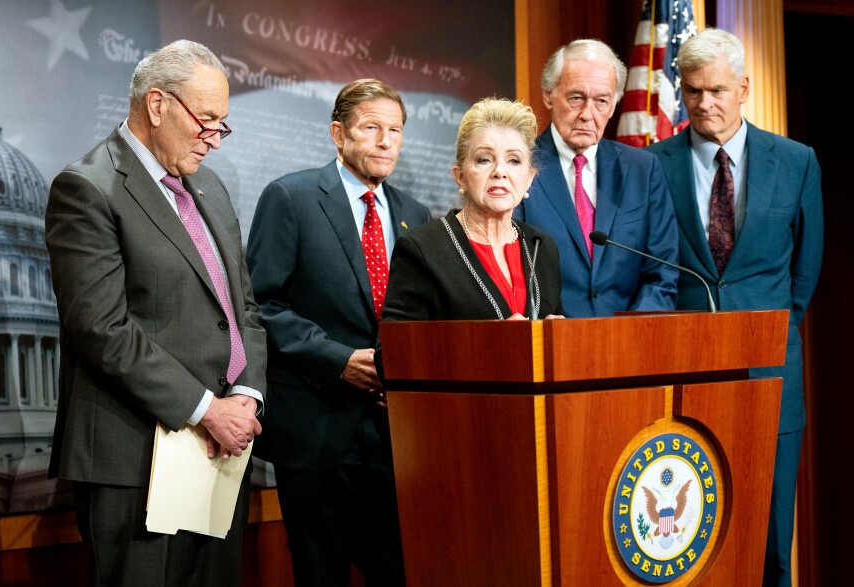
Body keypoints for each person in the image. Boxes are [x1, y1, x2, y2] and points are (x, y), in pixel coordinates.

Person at [45, 40, 267, 586]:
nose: (216, 139)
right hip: (133, 460)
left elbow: (244, 308)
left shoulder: (210, 188)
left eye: (224, 124)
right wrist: (204, 409)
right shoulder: (88, 188)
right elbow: (102, 328)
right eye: (207, 121)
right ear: (158, 105)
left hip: (220, 452)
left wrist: (245, 396)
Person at [645, 28, 823, 587]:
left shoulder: (797, 161)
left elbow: (806, 269)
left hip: (771, 370)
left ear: (743, 87)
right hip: (682, 371)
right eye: (693, 91)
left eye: (717, 90)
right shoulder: (652, 164)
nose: (704, 104)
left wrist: (771, 331)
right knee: (688, 544)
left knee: (771, 543)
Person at [245, 78, 431, 587]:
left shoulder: (415, 215)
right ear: (338, 133)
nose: (385, 140)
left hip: (395, 432)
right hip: (317, 425)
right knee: (321, 573)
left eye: (395, 130)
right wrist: (337, 359)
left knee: (401, 569)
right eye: (371, 127)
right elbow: (261, 304)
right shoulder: (292, 196)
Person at [515, 39, 679, 317]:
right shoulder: (518, 166)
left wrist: (627, 335)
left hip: (628, 346)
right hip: (551, 343)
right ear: (548, 95)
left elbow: (662, 274)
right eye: (576, 98)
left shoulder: (643, 169)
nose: (588, 114)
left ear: (614, 106)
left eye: (601, 101)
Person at [381, 97, 563, 322]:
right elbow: (392, 353)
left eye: (514, 161)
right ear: (460, 177)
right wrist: (489, 341)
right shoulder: (423, 249)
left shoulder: (542, 248)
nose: (500, 171)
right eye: (484, 159)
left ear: (529, 178)